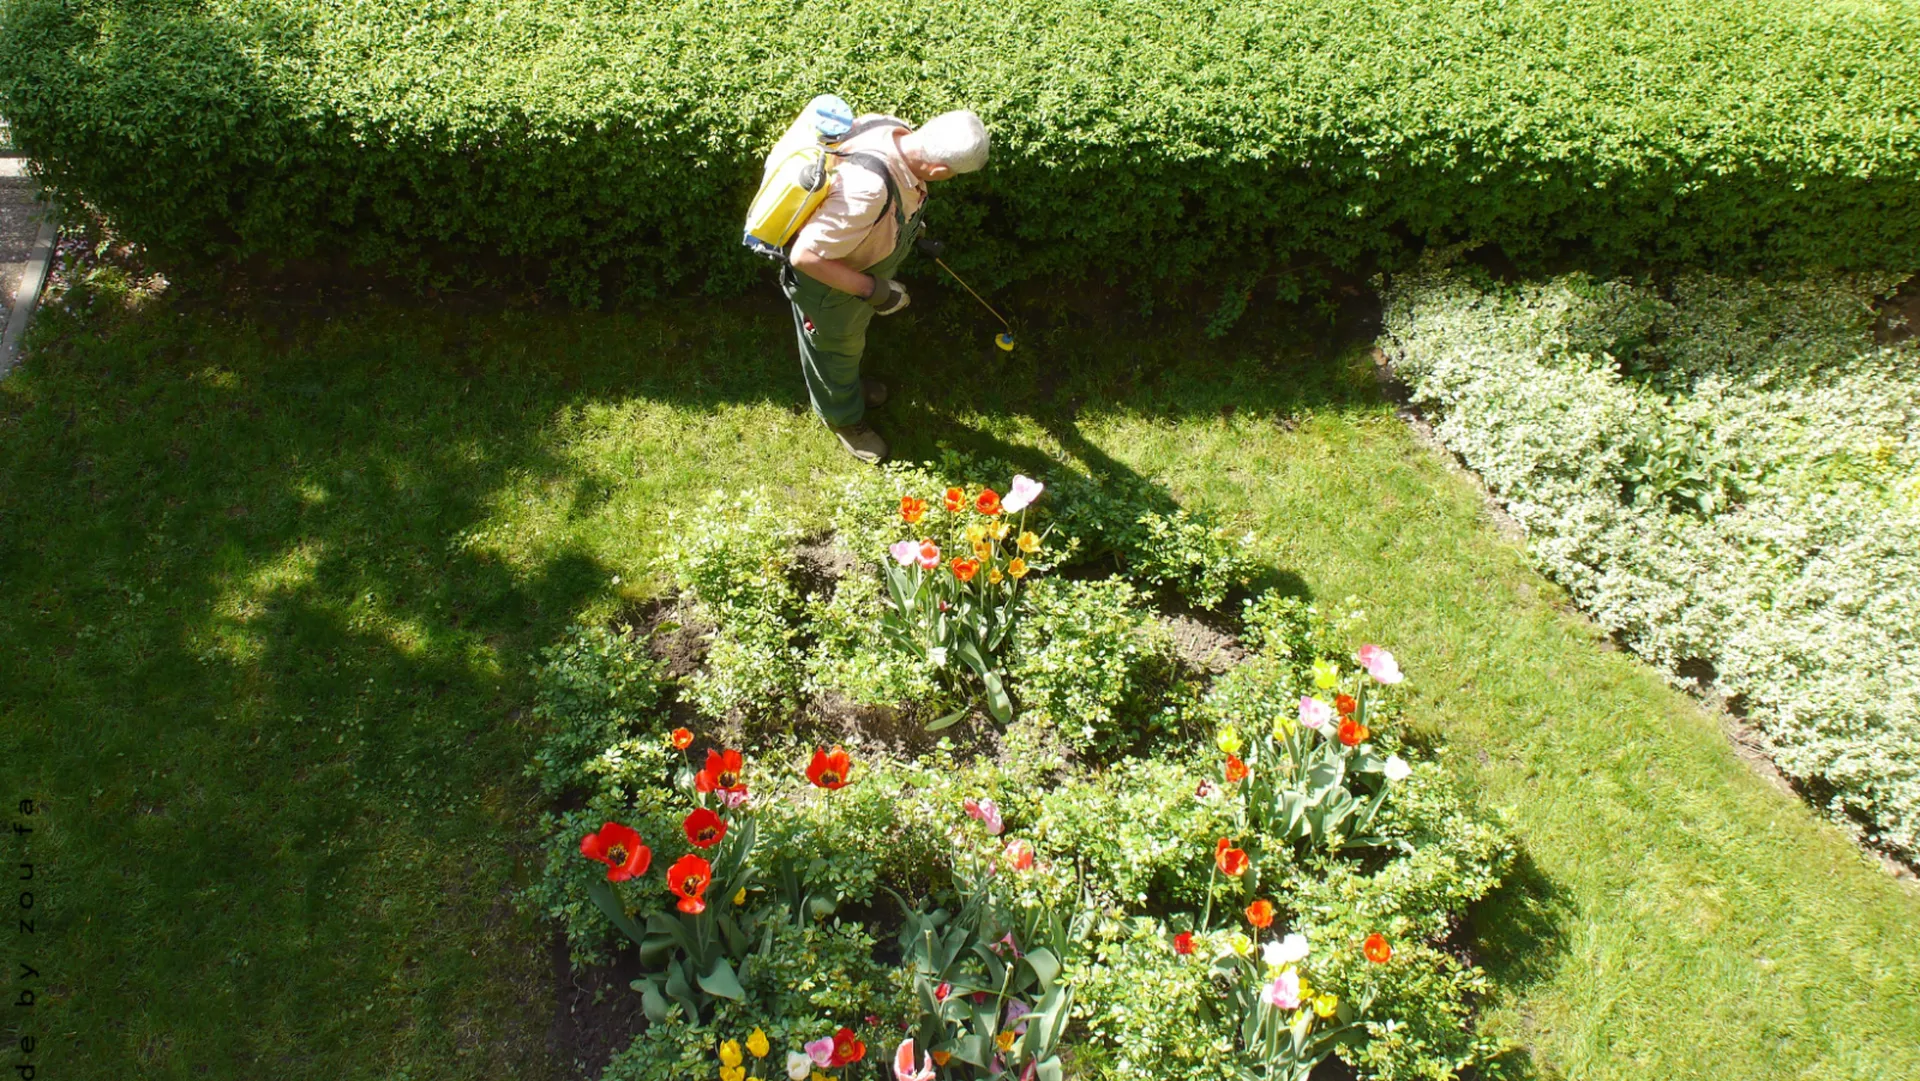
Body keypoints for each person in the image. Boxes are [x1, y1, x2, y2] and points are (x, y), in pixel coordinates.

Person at [780, 109, 990, 463]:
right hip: (831, 291)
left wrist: (909, 232)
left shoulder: (891, 128)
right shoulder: (868, 191)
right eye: (951, 175)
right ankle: (843, 417)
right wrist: (874, 291)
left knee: (847, 348)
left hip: (850, 275)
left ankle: (846, 388)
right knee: (835, 351)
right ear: (939, 171)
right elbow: (805, 257)